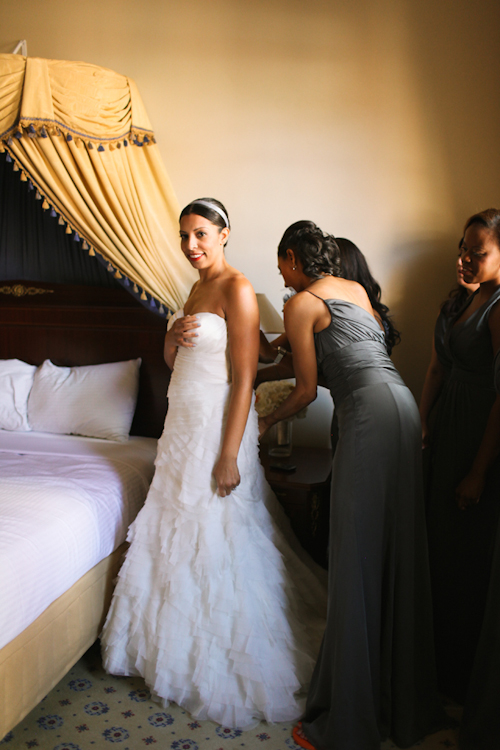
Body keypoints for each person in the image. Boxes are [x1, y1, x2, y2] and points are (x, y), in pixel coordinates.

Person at [100, 199, 327, 730]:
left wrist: (230, 453)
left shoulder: (238, 288)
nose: (190, 246)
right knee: (176, 526)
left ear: (225, 233)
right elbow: (179, 360)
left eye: (200, 234)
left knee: (217, 529)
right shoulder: (196, 289)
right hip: (181, 425)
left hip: (216, 428)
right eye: (184, 236)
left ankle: (223, 650)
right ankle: (162, 648)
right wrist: (168, 339)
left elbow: (245, 377)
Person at [257, 220, 444, 750]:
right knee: (396, 549)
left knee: (354, 556)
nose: (284, 283)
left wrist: (266, 422)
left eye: (282, 271)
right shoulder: (355, 289)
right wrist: (271, 358)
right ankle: (398, 701)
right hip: (402, 406)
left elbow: (308, 389)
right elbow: (338, 354)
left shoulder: (300, 303)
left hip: (365, 414)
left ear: (292, 257)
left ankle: (348, 718)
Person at [425, 208, 500, 705]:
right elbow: (435, 368)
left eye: (479, 252)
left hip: (478, 436)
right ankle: (436, 670)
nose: (467, 258)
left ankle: (461, 679)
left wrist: (477, 472)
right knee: (438, 549)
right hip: (445, 431)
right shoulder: (459, 301)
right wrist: (421, 423)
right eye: (464, 249)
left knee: (465, 559)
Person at [419, 245, 479, 450]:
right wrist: (422, 418)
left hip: (480, 408)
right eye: (461, 252)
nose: (462, 260)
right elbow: (436, 369)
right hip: (447, 406)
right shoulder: (449, 310)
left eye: (474, 254)